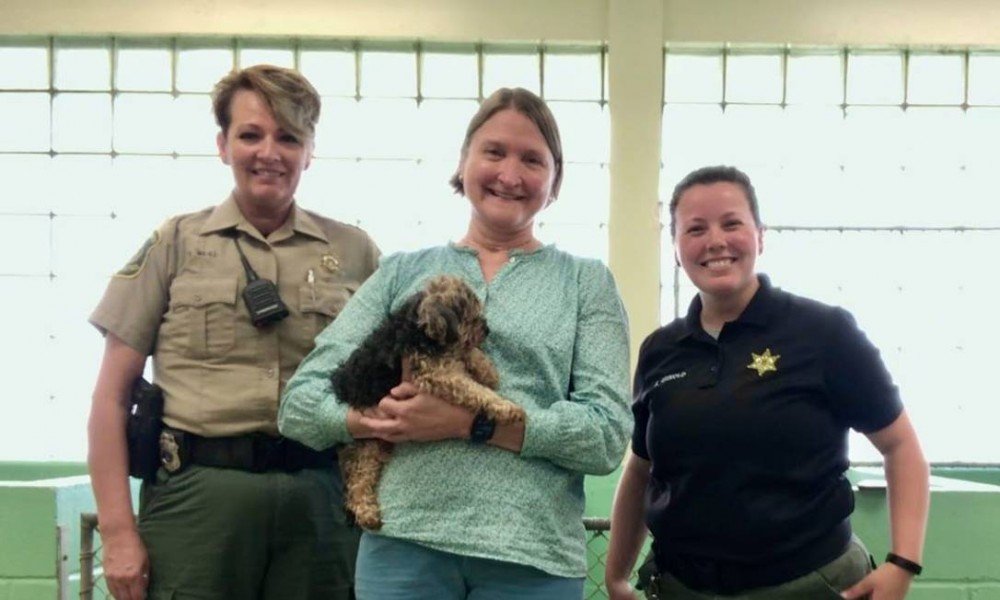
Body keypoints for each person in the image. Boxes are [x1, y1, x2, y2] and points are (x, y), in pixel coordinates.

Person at [279, 87, 632, 600]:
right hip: (402, 548)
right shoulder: (402, 271)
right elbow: (300, 404)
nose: (510, 174)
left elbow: (605, 436)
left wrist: (475, 423)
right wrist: (381, 420)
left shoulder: (586, 283)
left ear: (554, 181)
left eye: (532, 159)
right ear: (463, 162)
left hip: (534, 557)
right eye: (494, 152)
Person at [87, 64, 379, 600]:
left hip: (319, 503)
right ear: (223, 145)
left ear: (309, 152)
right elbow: (110, 398)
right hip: (196, 504)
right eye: (251, 135)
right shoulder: (175, 243)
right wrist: (119, 531)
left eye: (289, 138)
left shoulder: (356, 253)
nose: (270, 152)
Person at [605, 165, 929, 600]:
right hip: (683, 586)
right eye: (695, 229)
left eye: (731, 223)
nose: (715, 240)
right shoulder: (660, 351)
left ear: (760, 234)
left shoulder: (824, 332)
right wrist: (617, 575)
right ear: (677, 248)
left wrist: (902, 564)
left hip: (813, 584)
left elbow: (901, 447)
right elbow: (642, 469)